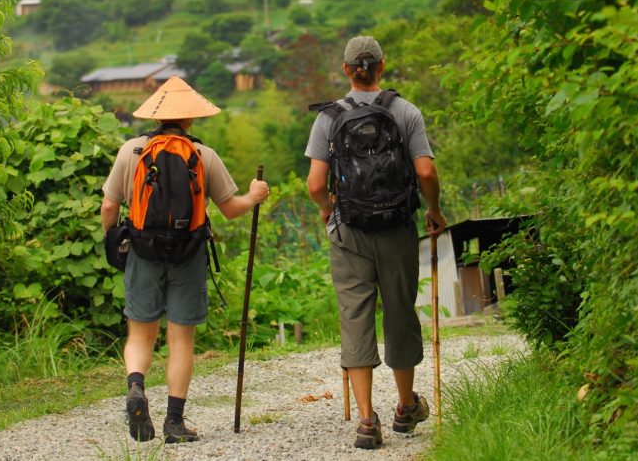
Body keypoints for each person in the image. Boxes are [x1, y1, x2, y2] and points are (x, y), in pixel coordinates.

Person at [101, 76, 269, 444]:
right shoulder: (203, 155)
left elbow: (110, 205)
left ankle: (136, 386)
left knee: (141, 333)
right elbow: (230, 209)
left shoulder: (131, 151)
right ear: (190, 118)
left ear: (156, 117)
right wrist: (255, 196)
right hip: (188, 253)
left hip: (142, 251)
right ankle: (174, 423)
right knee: (181, 339)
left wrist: (113, 239)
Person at [305, 36, 446, 449]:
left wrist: (328, 208)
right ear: (381, 67)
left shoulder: (329, 117)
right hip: (397, 229)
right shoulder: (405, 112)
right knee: (400, 311)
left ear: (346, 70)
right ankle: (406, 406)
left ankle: (367, 419)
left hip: (350, 232)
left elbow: (315, 184)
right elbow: (425, 174)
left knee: (355, 315)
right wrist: (433, 210)